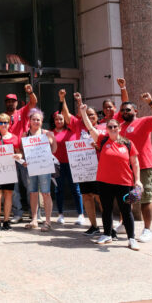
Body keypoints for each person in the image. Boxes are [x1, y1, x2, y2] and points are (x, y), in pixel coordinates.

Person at [79, 104, 142, 250]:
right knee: (106, 209)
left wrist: (137, 180)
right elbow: (90, 128)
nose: (113, 129)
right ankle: (107, 234)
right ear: (107, 129)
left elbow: (135, 163)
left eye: (115, 127)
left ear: (120, 128)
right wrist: (83, 112)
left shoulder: (127, 143)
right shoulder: (102, 140)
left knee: (126, 211)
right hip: (104, 182)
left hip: (123, 182)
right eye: (110, 127)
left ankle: (131, 238)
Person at [118, 91, 152, 244]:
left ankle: (147, 229)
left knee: (145, 198)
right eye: (123, 110)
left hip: (144, 166)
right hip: (126, 168)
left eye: (128, 110)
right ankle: (125, 224)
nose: (125, 112)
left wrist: (151, 102)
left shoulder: (144, 121)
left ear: (135, 111)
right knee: (126, 198)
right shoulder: (120, 127)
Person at [61, 91, 106, 236]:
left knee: (101, 198)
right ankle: (94, 226)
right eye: (87, 114)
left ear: (97, 117)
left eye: (92, 114)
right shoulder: (78, 125)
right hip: (83, 168)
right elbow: (66, 115)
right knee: (86, 196)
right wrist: (64, 99)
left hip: (99, 169)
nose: (90, 116)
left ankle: (107, 225)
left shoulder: (103, 129)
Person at [1, 85, 36, 224]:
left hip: (24, 153)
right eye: (8, 101)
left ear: (16, 102)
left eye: (13, 101)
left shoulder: (23, 112)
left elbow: (33, 102)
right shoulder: (2, 117)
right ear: (5, 103)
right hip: (9, 155)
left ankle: (34, 213)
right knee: (13, 187)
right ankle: (18, 213)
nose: (10, 103)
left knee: (29, 184)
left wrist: (30, 92)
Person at [19, 109, 57, 232]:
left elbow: (54, 150)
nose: (36, 121)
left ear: (41, 121)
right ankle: (34, 219)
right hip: (30, 167)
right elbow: (21, 152)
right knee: (33, 192)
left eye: (38, 119)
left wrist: (51, 140)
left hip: (44, 167)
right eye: (34, 119)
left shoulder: (47, 133)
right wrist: (22, 160)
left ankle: (47, 221)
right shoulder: (25, 135)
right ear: (29, 121)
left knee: (46, 193)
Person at [51, 98, 85, 226]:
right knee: (58, 190)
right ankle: (60, 214)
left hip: (72, 163)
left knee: (75, 189)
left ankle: (80, 214)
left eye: (61, 118)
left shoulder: (72, 129)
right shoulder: (50, 133)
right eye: (56, 119)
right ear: (53, 121)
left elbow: (79, 115)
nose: (59, 121)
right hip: (57, 165)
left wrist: (75, 101)